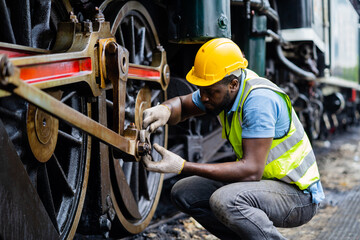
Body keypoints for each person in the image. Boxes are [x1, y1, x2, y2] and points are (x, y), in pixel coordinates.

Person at [141, 38, 325, 240]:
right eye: (201, 90)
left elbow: (251, 171)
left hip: (298, 196)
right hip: (264, 185)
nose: (203, 98)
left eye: (210, 92)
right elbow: (183, 105)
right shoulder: (224, 89)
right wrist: (165, 109)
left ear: (233, 85)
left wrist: (182, 166)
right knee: (184, 192)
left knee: (227, 201)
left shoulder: (258, 102)